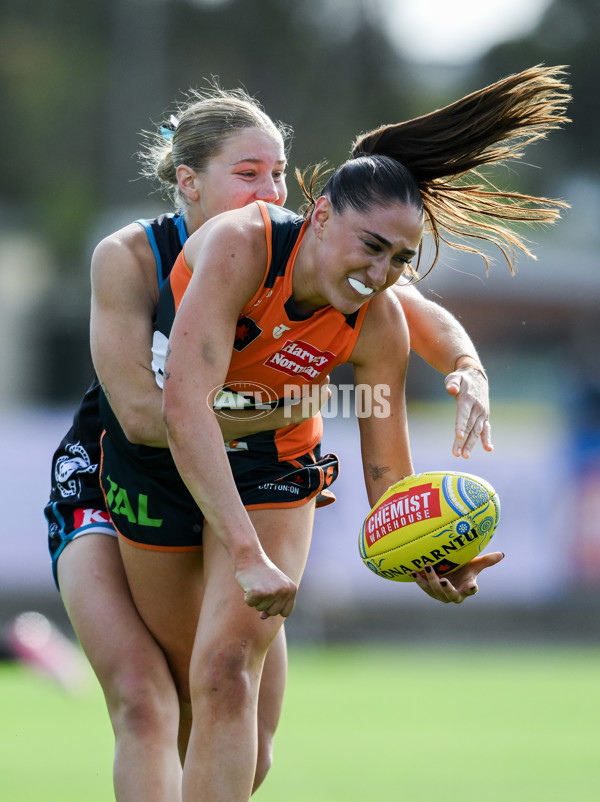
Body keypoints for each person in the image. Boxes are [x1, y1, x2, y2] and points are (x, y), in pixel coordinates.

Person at [96, 65, 570, 800]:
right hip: (156, 463)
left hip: (274, 468)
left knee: (226, 683)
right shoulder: (238, 246)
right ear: (319, 217)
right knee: (192, 699)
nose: (380, 272)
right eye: (370, 246)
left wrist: (426, 557)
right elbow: (179, 411)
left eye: (399, 259)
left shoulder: (377, 318)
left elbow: (386, 470)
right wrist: (246, 554)